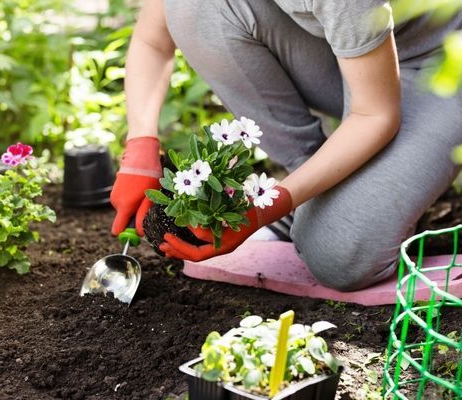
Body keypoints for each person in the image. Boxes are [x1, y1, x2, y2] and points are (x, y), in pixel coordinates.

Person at [109, 0, 462, 291]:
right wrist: (139, 148)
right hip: (356, 55)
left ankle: (353, 204)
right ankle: (318, 191)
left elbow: (375, 115)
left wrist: (264, 209)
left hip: (443, 63)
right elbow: (153, 40)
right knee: (194, 7)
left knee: (337, 256)